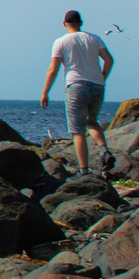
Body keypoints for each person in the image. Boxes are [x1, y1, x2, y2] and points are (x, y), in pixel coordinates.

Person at [44, 10, 115, 173]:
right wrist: (103, 76)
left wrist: (45, 92)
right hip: (97, 85)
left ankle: (84, 170)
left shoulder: (61, 42)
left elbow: (53, 70)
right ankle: (104, 150)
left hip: (75, 86)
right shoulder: (94, 38)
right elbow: (109, 60)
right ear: (81, 23)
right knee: (92, 121)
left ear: (64, 24)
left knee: (78, 131)